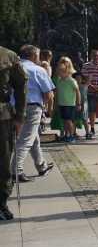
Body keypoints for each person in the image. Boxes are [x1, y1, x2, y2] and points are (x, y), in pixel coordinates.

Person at [14, 46, 55, 183]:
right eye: (37, 55)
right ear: (33, 56)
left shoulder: (13, 68)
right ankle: (16, 170)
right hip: (32, 106)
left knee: (33, 137)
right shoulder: (38, 70)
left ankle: (41, 165)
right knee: (26, 140)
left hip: (14, 107)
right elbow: (48, 93)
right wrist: (45, 106)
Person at [0, 45, 27, 221]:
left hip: (2, 117)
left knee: (3, 162)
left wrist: (20, 116)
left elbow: (21, 86)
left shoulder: (7, 56)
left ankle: (1, 202)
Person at [54, 57, 81, 142]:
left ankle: (72, 136)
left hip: (70, 104)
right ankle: (66, 135)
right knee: (65, 121)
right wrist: (56, 103)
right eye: (59, 71)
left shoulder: (71, 80)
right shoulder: (59, 81)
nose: (59, 73)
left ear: (67, 71)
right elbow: (57, 93)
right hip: (61, 104)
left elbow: (77, 92)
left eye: (61, 71)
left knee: (69, 121)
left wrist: (78, 103)